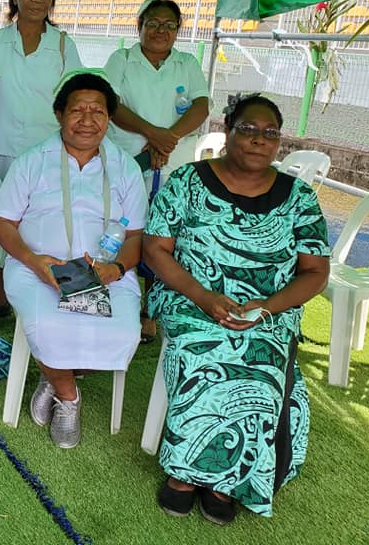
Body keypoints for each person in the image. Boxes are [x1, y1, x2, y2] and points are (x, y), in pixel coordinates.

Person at [143, 94, 330, 525]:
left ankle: (226, 482)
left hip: (268, 310)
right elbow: (155, 250)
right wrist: (204, 297)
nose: (259, 140)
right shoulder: (187, 182)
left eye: (270, 133)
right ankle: (184, 475)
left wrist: (266, 307)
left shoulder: (299, 198)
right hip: (189, 297)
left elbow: (315, 272)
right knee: (205, 350)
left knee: (262, 363)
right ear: (227, 130)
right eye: (248, 129)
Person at [0, 70, 147, 448]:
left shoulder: (124, 166)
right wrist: (33, 260)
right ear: (60, 114)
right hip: (38, 268)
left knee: (124, 332)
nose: (87, 120)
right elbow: (3, 223)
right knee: (47, 325)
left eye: (98, 111)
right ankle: (68, 396)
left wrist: (115, 269)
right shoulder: (32, 161)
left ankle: (53, 376)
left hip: (106, 271)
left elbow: (136, 235)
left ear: (109, 119)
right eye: (78, 110)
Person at [0, 0, 83, 328]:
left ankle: (38, 296)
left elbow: (74, 95)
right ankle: (0, 298)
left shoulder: (63, 45)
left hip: (46, 153)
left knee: (41, 224)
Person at [104, 0, 210, 343]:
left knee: (162, 234)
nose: (160, 30)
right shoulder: (122, 59)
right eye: (153, 23)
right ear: (140, 26)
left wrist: (168, 140)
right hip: (129, 160)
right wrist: (153, 135)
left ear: (178, 30)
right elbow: (112, 105)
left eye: (169, 25)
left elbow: (201, 106)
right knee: (121, 228)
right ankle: (115, 296)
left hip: (172, 162)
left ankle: (149, 311)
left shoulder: (187, 63)